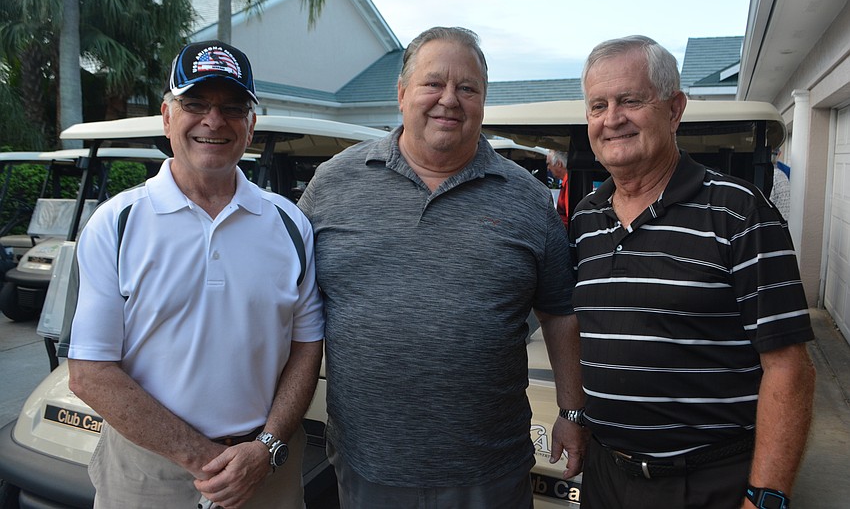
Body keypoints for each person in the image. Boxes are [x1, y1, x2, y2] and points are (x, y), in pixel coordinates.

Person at [298, 26, 586, 508]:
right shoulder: (332, 185)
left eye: (467, 88)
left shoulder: (527, 198)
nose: (448, 100)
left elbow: (561, 313)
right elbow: (289, 306)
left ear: (483, 101)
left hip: (490, 472)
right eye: (433, 83)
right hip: (369, 467)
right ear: (402, 93)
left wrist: (572, 412)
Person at [67, 40, 325, 509]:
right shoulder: (117, 223)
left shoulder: (290, 225)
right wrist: (205, 458)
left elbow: (307, 349)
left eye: (232, 107)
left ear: (250, 126)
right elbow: (89, 372)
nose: (213, 120)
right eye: (195, 104)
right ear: (167, 116)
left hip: (264, 466)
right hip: (148, 471)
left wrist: (264, 449)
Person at [570, 35, 816, 509]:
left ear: (674, 109)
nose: (612, 119)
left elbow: (789, 368)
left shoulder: (740, 212)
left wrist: (765, 497)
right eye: (597, 105)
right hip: (604, 479)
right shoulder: (585, 218)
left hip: (707, 484)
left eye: (631, 100)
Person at [547, 149, 570, 228]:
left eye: (549, 164)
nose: (548, 168)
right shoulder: (566, 183)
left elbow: (569, 217)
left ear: (559, 164)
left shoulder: (569, 185)